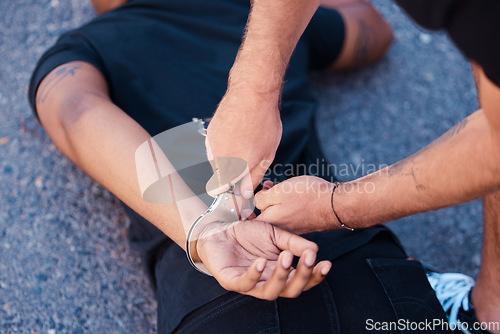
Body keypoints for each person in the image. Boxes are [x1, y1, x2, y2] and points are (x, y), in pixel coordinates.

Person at [30, 0, 457, 333]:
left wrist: (205, 228)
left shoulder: (83, 47)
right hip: (351, 251)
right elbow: (374, 31)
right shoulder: (261, 20)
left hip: (213, 288)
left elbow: (74, 113)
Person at [203, 0, 500, 332]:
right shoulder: (233, 11)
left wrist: (335, 207)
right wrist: (254, 89)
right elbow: (374, 31)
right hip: (359, 274)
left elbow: (496, 146)